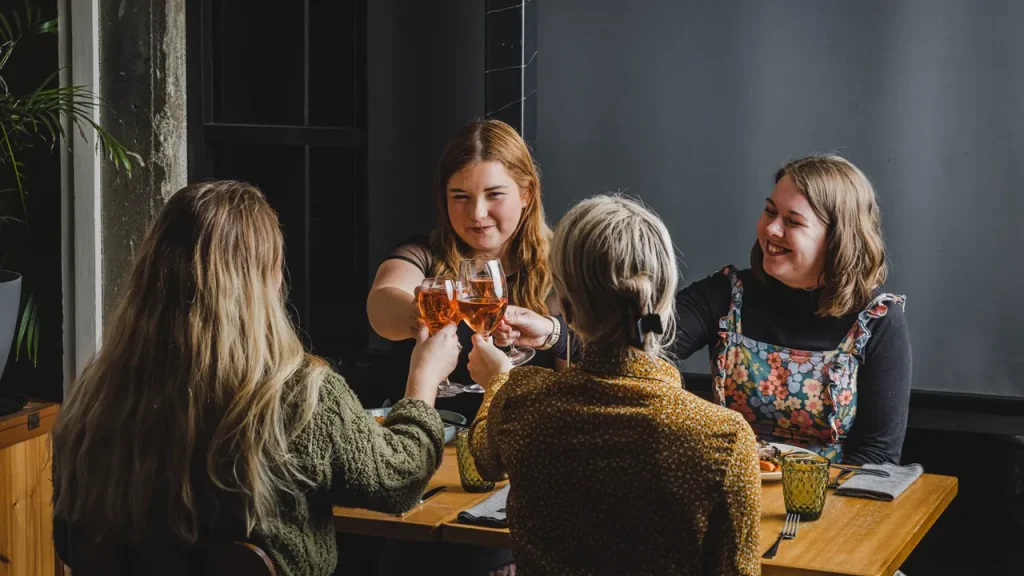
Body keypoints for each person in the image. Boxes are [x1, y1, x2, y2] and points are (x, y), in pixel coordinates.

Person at [51, 181, 460, 576]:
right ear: (268, 279)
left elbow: (70, 539)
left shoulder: (95, 396)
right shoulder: (300, 396)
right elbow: (399, 482)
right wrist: (423, 377)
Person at [467, 195, 762, 575]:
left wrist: (498, 382)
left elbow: (486, 461)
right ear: (664, 301)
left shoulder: (523, 403)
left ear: (565, 308)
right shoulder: (724, 437)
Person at [674, 154, 911, 465]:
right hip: (729, 484)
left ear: (837, 239)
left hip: (832, 492)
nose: (772, 229)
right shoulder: (725, 295)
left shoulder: (877, 320)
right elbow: (642, 353)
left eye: (793, 221)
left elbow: (878, 455)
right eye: (770, 211)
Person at [367, 118, 578, 420]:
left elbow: (574, 388)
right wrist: (421, 313)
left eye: (494, 194)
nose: (477, 213)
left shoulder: (562, 264)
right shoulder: (422, 253)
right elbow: (382, 303)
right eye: (460, 196)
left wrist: (552, 336)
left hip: (524, 438)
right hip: (434, 436)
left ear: (526, 194)